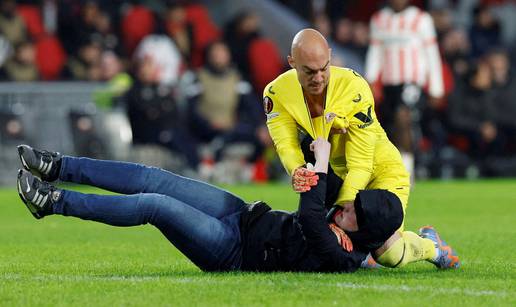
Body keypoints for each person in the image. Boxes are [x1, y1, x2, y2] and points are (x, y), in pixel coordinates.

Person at [16, 140, 410, 273]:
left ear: (367, 234)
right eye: (355, 203)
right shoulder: (347, 222)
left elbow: (309, 215)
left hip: (233, 251)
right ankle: (59, 166)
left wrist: (319, 167)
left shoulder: (344, 256)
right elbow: (321, 182)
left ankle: (53, 201)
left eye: (356, 212)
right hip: (244, 214)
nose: (346, 207)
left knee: (155, 205)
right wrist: (319, 150)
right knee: (155, 177)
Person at [264, 28, 459, 269]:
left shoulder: (353, 88)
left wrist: (341, 211)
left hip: (381, 171)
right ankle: (365, 251)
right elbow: (286, 143)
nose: (318, 78)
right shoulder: (276, 93)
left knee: (389, 254)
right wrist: (296, 171)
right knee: (338, 240)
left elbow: (362, 162)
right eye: (309, 71)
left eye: (324, 68)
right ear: (292, 63)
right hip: (340, 174)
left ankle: (432, 246)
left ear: (330, 56)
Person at [365, 0, 445, 179]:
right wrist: (371, 80)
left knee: (403, 117)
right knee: (393, 126)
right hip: (389, 83)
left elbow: (431, 53)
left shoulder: (421, 19)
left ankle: (407, 172)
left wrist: (436, 88)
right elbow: (375, 52)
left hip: (412, 81)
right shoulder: (379, 20)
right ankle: (398, 168)